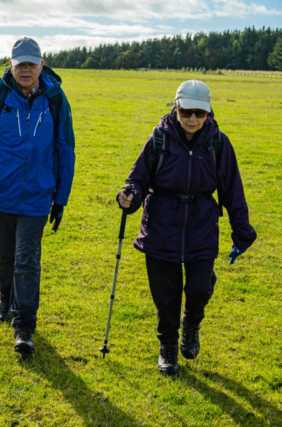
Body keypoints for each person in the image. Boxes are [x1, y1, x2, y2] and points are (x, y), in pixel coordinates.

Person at [117, 80, 256, 375]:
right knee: (166, 295)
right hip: (160, 227)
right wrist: (130, 195)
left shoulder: (218, 143)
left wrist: (242, 232)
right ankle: (167, 346)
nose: (192, 119)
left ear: (208, 112)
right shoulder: (159, 139)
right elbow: (138, 179)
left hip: (202, 227)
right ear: (175, 107)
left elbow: (233, 192)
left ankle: (191, 323)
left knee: (199, 287)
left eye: (199, 113)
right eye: (185, 112)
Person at [0, 37, 76, 354]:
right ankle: (6, 297)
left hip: (38, 197)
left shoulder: (55, 99)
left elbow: (66, 149)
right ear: (10, 65)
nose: (25, 69)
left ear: (42, 64)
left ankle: (24, 325)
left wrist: (61, 198)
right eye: (19, 63)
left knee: (27, 260)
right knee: (3, 257)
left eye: (31, 63)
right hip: (0, 195)